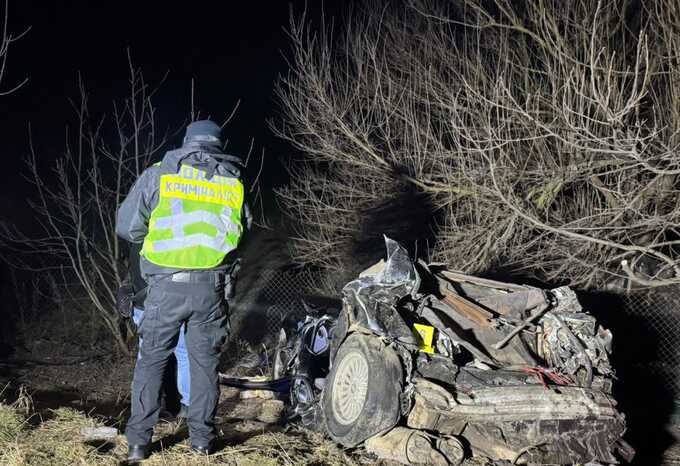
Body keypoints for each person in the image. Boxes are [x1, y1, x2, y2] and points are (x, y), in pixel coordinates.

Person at [116, 120, 250, 462]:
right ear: (218, 145)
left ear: (187, 142)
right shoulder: (232, 181)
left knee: (152, 361)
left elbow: (127, 228)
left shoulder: (160, 174)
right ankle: (202, 442)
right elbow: (241, 233)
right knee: (205, 365)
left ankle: (138, 445)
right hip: (211, 290)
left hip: (165, 288)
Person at [119, 242, 191, 418]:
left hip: (142, 301)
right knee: (184, 353)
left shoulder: (135, 228)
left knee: (148, 357)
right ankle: (188, 407)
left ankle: (144, 411)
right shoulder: (172, 225)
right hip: (172, 297)